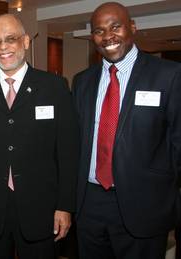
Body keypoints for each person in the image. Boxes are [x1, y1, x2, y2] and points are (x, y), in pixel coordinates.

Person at [0, 14, 79, 259]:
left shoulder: (54, 88)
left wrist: (65, 206)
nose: (2, 47)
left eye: (10, 39)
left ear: (25, 41)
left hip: (40, 208)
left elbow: (68, 152)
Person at [72, 2, 181, 258]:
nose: (108, 36)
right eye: (99, 30)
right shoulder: (82, 81)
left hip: (144, 205)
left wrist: (164, 193)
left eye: (115, 27)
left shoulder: (169, 75)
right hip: (89, 205)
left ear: (132, 27)